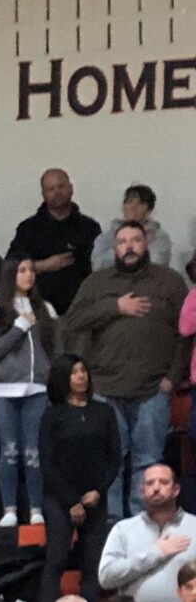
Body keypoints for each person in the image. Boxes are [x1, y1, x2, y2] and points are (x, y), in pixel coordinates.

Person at [63, 220, 185, 514]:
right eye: (122, 242)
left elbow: (187, 333)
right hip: (105, 388)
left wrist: (172, 378)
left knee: (148, 463)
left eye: (135, 240)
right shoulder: (96, 283)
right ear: (114, 247)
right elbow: (73, 322)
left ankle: (144, 524)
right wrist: (114, 307)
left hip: (154, 388)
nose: (129, 247)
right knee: (109, 464)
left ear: (148, 244)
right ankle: (113, 529)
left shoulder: (169, 281)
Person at [40, 357, 124, 602]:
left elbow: (115, 457)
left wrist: (99, 491)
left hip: (95, 497)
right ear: (63, 378)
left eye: (84, 371)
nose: (81, 376)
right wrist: (72, 501)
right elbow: (47, 462)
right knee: (56, 558)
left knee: (92, 562)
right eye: (75, 372)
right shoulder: (53, 415)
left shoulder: (104, 412)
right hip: (59, 497)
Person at [0, 255, 57, 528]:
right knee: (10, 450)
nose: (29, 275)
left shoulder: (46, 309)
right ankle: (10, 509)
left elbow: (55, 348)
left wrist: (50, 378)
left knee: (33, 451)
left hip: (37, 388)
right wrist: (20, 326)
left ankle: (36, 508)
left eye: (31, 270)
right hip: (4, 389)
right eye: (22, 270)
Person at [99, 458, 196, 602]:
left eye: (164, 482)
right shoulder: (123, 530)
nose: (156, 488)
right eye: (150, 483)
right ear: (142, 491)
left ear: (176, 490)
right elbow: (106, 577)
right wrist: (155, 554)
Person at [6, 169, 99, 316]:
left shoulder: (89, 227)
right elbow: (10, 267)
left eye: (61, 186)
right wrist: (42, 266)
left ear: (71, 188)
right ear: (43, 194)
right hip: (38, 312)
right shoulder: (28, 229)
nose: (57, 192)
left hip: (81, 311)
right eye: (50, 189)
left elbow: (99, 268)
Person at [93, 183, 174, 275]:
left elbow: (158, 265)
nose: (133, 207)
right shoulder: (108, 235)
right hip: (113, 284)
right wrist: (118, 248)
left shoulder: (159, 237)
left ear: (149, 210)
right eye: (129, 201)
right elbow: (97, 265)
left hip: (147, 284)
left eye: (140, 203)